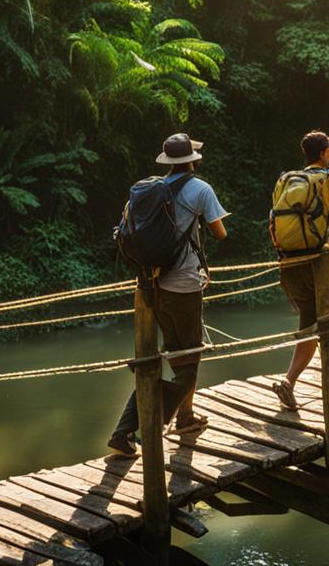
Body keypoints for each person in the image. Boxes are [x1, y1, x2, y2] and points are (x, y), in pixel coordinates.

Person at [108, 134, 229, 457]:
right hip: (185, 285)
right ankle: (149, 426)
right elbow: (221, 233)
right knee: (189, 360)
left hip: (152, 285)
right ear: (192, 161)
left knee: (168, 352)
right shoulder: (200, 189)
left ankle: (137, 428)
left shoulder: (146, 192)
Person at [269, 131, 329, 410]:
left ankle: (290, 381)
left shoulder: (285, 180)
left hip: (289, 263)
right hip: (318, 263)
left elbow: (272, 223)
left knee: (308, 322)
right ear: (324, 153)